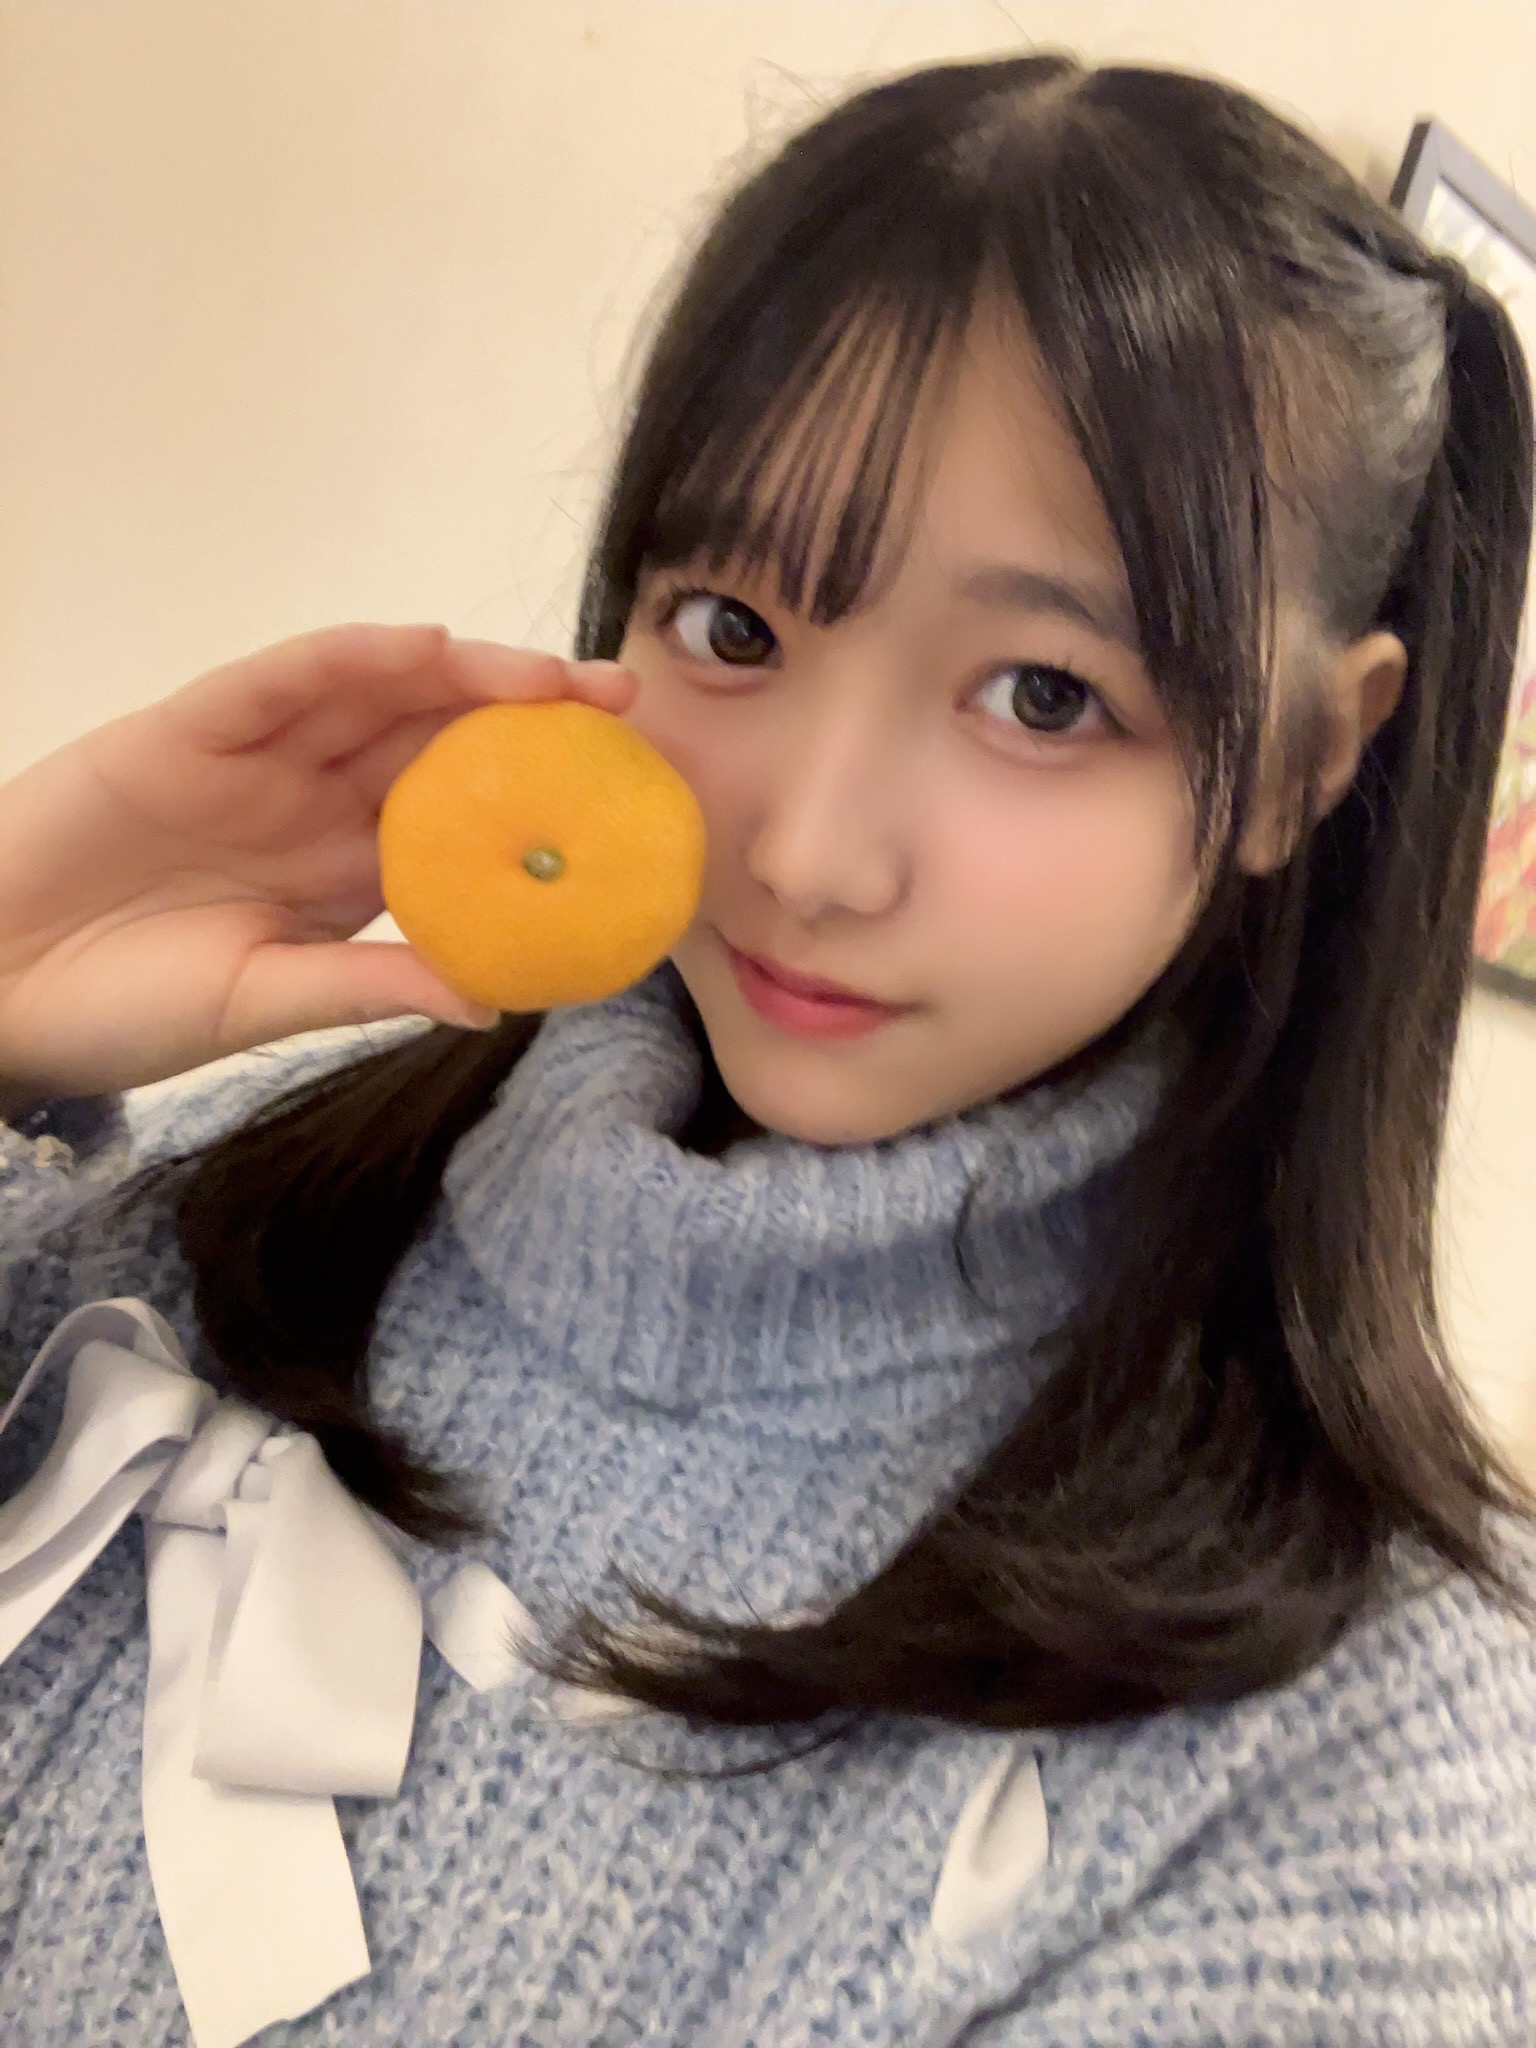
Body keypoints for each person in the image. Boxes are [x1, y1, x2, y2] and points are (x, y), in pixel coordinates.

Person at [1, 48, 1533, 2048]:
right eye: (734, 627)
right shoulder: (258, 1207)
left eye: (1043, 695)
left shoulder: (1361, 1789)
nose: (806, 854)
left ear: (1310, 756)